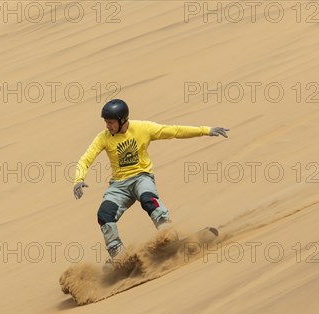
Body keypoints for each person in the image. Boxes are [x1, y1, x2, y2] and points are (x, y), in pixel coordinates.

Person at [73, 99, 229, 264]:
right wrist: (79, 179)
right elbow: (85, 159)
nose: (107, 126)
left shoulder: (143, 128)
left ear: (122, 120)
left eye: (110, 122)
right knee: (104, 214)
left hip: (142, 177)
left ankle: (167, 234)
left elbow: (174, 131)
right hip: (119, 186)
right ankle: (119, 256)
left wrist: (205, 130)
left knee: (148, 199)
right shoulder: (103, 138)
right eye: (106, 122)